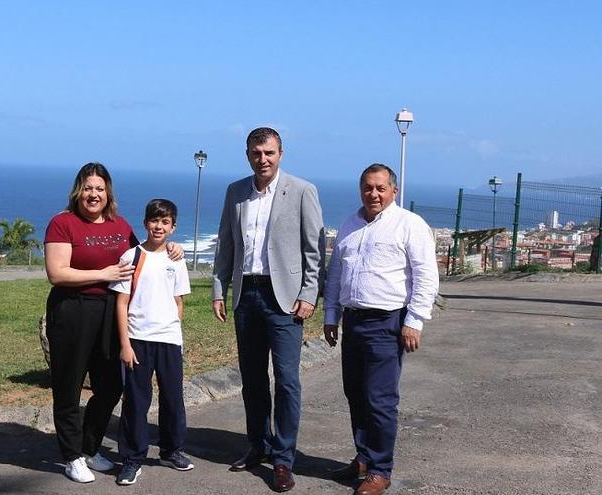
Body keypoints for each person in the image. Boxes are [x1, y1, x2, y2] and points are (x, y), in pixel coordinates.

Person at [44, 163, 182, 483]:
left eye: (100, 189)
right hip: (72, 309)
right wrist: (103, 274)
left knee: (110, 386)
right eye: (89, 188)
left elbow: (144, 253)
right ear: (79, 191)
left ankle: (90, 448)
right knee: (69, 385)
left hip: (110, 309)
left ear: (108, 194)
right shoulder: (62, 223)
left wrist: (171, 248)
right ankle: (71, 456)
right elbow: (57, 272)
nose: (94, 195)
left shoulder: (119, 226)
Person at [211, 127, 325, 493]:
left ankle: (283, 459)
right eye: (257, 153)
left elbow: (314, 249)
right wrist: (219, 289)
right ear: (247, 154)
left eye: (270, 153)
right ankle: (257, 444)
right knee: (253, 379)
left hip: (286, 300)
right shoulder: (236, 192)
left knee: (288, 382)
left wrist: (309, 294)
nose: (263, 159)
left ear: (281, 153)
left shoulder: (303, 191)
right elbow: (226, 243)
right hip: (248, 296)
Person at [322, 163, 439, 495]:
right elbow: (335, 275)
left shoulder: (409, 225)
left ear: (394, 191)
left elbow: (426, 276)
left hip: (387, 322)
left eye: (380, 188)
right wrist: (331, 315)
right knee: (355, 394)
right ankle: (363, 457)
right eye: (367, 188)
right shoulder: (349, 224)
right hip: (354, 321)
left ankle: (380, 470)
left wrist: (414, 321)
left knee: (380, 400)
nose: (373, 194)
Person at [109, 199, 193, 486]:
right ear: (145, 223)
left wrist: (171, 327)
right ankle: (132, 459)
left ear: (173, 227)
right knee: (136, 401)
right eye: (154, 220)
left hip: (168, 340)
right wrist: (125, 344)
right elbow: (121, 302)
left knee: (172, 398)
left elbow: (178, 300)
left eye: (165, 222)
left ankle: (172, 450)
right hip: (137, 339)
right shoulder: (131, 256)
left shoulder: (176, 258)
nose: (159, 226)